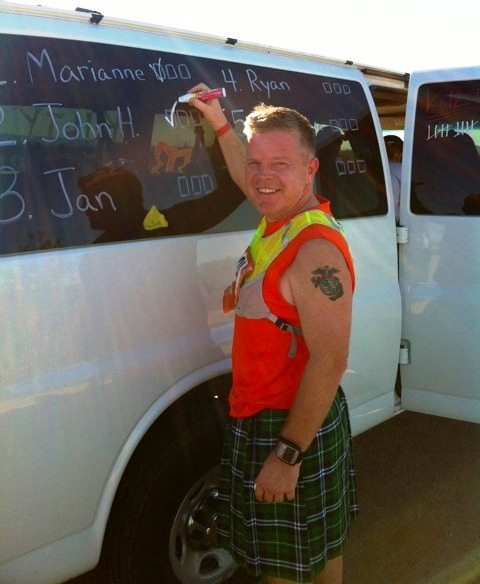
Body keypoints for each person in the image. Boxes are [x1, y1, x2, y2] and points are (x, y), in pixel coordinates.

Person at [189, 84, 358, 584]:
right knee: (322, 548)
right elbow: (248, 175)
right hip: (267, 413)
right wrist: (220, 122)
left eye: (279, 164)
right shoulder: (279, 216)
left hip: (289, 424)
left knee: (283, 568)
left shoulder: (314, 251)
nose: (262, 177)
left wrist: (287, 456)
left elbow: (330, 359)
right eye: (256, 163)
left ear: (310, 169)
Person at [384, 134, 403, 223]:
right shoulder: (404, 170)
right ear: (400, 153)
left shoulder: (371, 169)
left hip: (378, 218)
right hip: (398, 219)